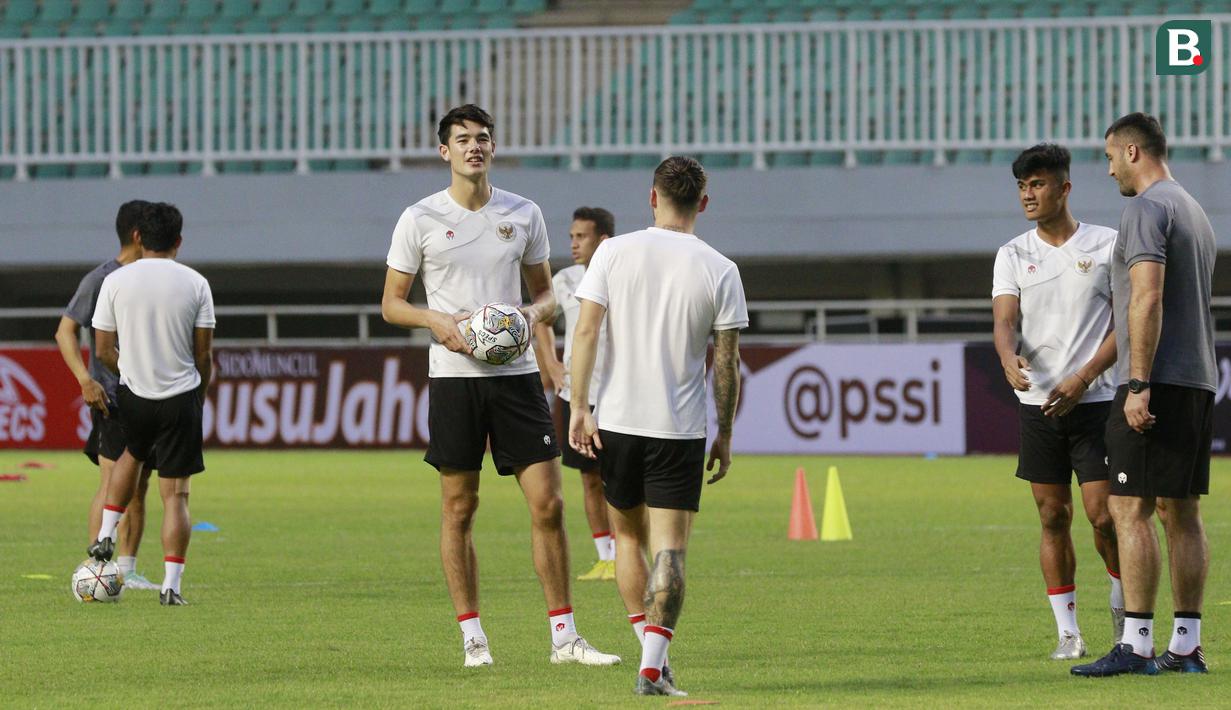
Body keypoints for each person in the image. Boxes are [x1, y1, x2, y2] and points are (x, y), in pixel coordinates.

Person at [380, 104, 619, 669]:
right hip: (455, 380)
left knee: (549, 503)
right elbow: (391, 304)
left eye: (482, 138)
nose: (474, 146)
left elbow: (547, 297)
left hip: (516, 379)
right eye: (462, 139)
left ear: (493, 146)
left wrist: (526, 316)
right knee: (459, 507)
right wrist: (434, 320)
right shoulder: (419, 218)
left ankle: (565, 638)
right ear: (444, 151)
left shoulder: (523, 213)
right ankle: (473, 638)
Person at [568, 156, 747, 696]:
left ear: (652, 197)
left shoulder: (612, 252)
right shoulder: (721, 269)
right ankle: (652, 665)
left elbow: (585, 332)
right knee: (670, 550)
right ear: (703, 203)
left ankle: (651, 659)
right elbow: (726, 362)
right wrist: (725, 433)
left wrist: (580, 407)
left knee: (627, 538)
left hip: (617, 421)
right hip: (679, 428)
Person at [1072, 113, 1215, 677]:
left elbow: (1146, 297)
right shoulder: (1193, 210)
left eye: (1111, 157)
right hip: (1197, 378)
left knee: (1128, 507)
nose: (1109, 170)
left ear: (1132, 152)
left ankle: (1134, 645)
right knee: (1182, 512)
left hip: (1156, 381)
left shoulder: (1145, 208)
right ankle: (1186, 646)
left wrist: (1137, 383)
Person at [991, 144, 1122, 660]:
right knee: (1052, 516)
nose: (1028, 194)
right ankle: (1068, 633)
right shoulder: (1012, 253)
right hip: (1039, 404)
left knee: (1104, 516)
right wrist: (1007, 357)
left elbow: (1129, 323)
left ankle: (1123, 614)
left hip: (1097, 401)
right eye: (1022, 186)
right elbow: (1005, 321)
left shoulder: (1107, 244)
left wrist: (1085, 378)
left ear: (1064, 188)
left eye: (1038, 184)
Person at [87, 202, 215, 608]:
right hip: (180, 396)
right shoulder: (196, 283)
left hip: (135, 394)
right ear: (178, 240)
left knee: (132, 454)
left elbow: (102, 349)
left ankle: (106, 533)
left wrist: (129, 369)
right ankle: (170, 586)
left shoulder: (115, 281)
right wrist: (200, 394)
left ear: (139, 238)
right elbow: (203, 354)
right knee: (175, 495)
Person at [55, 200, 159, 591]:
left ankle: (127, 570)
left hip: (148, 395)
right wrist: (85, 379)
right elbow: (65, 331)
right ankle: (96, 569)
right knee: (112, 481)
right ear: (138, 234)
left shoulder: (152, 278)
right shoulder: (101, 279)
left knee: (140, 484)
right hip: (112, 398)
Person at [535, 207, 616, 583]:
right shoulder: (564, 280)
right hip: (576, 394)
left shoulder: (621, 277)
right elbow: (543, 321)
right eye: (571, 236)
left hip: (616, 393)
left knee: (622, 478)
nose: (573, 243)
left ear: (603, 240)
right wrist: (551, 363)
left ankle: (628, 552)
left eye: (581, 236)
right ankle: (606, 557)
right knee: (589, 478)